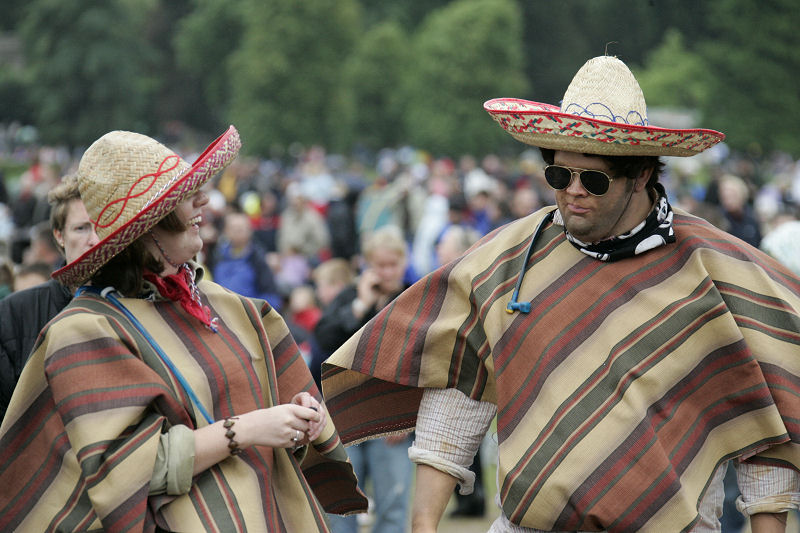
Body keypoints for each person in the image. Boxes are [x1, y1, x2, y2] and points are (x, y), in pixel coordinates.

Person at [321, 56, 800, 533]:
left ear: (641, 175)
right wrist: (423, 526)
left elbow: (766, 416)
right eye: (558, 175)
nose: (572, 192)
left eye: (592, 179)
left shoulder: (713, 268)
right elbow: (460, 391)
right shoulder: (510, 258)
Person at [0, 126, 365, 532]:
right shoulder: (85, 329)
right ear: (147, 228)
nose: (203, 199)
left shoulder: (227, 305)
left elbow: (273, 404)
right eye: (181, 196)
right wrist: (248, 429)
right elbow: (126, 472)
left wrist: (301, 417)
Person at [315, 225, 414, 533]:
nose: (386, 272)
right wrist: (360, 304)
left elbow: (423, 361)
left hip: (392, 416)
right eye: (379, 265)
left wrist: (408, 415)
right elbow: (324, 340)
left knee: (393, 504)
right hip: (345, 411)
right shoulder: (350, 296)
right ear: (367, 265)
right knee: (342, 506)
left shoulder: (413, 297)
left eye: (392, 264)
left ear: (403, 262)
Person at [0, 174, 100, 422]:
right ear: (59, 235)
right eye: (81, 228)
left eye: (102, 227)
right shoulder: (15, 313)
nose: (94, 240)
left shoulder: (136, 304)